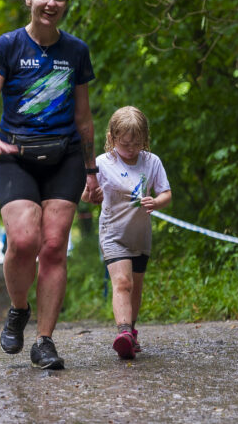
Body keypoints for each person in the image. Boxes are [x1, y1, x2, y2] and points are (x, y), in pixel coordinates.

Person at [0, 0, 101, 370]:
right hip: (15, 155)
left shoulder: (76, 51)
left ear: (66, 4)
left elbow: (84, 116)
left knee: (53, 246)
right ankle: (18, 309)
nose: (51, 4)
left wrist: (91, 169)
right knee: (25, 239)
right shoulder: (8, 45)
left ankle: (45, 341)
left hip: (64, 156)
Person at [82, 106, 172, 360]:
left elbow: (166, 193)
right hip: (113, 233)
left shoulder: (152, 162)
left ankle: (131, 330)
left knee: (137, 287)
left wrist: (156, 202)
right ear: (112, 138)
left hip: (140, 236)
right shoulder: (102, 163)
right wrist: (92, 195)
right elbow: (85, 194)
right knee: (123, 283)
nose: (131, 149)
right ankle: (123, 334)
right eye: (125, 144)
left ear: (145, 139)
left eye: (137, 143)